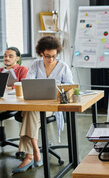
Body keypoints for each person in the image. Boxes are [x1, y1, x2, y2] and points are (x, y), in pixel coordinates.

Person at [12, 36, 73, 174]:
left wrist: (62, 90)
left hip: (52, 107)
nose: (51, 59)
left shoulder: (63, 66)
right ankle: (33, 154)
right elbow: (28, 83)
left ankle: (31, 155)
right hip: (35, 104)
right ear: (41, 53)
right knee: (31, 111)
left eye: (53, 56)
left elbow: (70, 87)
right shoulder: (35, 64)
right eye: (47, 56)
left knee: (29, 113)